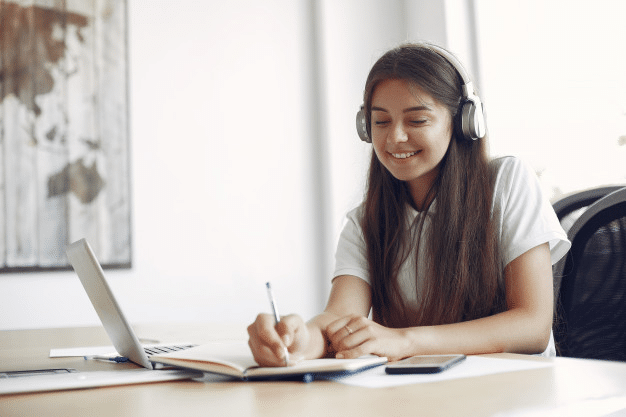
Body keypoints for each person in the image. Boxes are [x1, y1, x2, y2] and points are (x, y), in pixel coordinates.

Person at [247, 43, 570, 366]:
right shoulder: (366, 221)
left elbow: (532, 326)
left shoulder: (506, 182)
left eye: (416, 121)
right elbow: (339, 318)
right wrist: (299, 340)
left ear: (462, 123)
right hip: (421, 394)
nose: (394, 138)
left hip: (514, 391)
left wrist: (405, 340)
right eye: (381, 122)